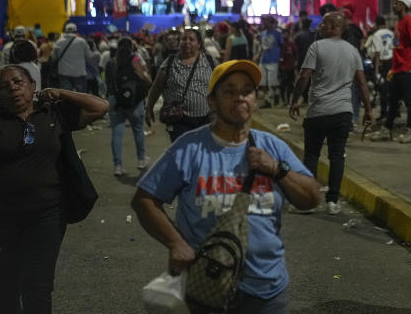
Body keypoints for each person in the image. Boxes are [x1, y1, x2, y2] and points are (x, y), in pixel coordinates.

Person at [132, 60, 320, 313]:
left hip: (266, 290)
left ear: (255, 99)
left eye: (246, 91)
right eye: (229, 92)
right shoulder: (190, 148)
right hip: (207, 284)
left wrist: (277, 168)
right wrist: (176, 243)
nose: (239, 98)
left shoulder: (273, 146)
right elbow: (144, 200)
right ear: (212, 102)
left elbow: (311, 198)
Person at [0, 66, 108, 313]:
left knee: (37, 286)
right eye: (4, 87)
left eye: (18, 82)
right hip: (1, 218)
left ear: (32, 86)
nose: (13, 89)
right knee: (1, 288)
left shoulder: (54, 115)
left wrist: (61, 92)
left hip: (47, 215)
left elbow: (100, 107)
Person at [289, 12, 372, 214]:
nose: (321, 28)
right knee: (337, 156)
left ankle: (309, 200)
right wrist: (368, 110)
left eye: (324, 24)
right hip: (343, 112)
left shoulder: (317, 47)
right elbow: (361, 83)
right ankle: (333, 201)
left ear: (333, 27)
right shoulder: (353, 51)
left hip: (318, 110)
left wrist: (294, 100)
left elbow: (304, 76)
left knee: (311, 155)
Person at [145, 28, 217, 143]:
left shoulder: (210, 62)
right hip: (178, 120)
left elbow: (220, 88)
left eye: (191, 39)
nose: (186, 42)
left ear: (199, 44)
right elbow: (157, 87)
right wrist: (149, 108)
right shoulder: (170, 62)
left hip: (205, 120)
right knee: (182, 153)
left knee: (201, 153)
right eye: (184, 39)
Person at [370, 0, 411, 143]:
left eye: (396, 3)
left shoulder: (408, 22)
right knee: (393, 101)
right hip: (398, 69)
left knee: (409, 102)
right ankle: (387, 130)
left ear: (404, 6)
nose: (393, 5)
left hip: (408, 70)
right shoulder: (400, 23)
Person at [106, 36, 152, 176]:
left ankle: (118, 166)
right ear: (131, 47)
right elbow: (144, 77)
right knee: (138, 130)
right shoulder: (135, 59)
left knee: (117, 132)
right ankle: (140, 159)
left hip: (115, 100)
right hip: (134, 101)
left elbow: (107, 83)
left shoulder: (111, 62)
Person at [365, 16, 394, 121]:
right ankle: (393, 112)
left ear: (376, 24)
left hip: (383, 65)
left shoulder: (376, 35)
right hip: (393, 64)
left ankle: (384, 113)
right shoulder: (392, 33)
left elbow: (377, 53)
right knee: (392, 89)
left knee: (383, 90)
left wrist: (376, 71)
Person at [50, 22, 94, 93]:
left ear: (65, 31)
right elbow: (89, 55)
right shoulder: (82, 42)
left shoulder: (59, 42)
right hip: (79, 73)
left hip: (64, 73)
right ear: (76, 31)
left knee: (66, 97)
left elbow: (54, 57)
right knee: (81, 97)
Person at [257, 16, 284, 108]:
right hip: (263, 60)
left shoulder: (277, 33)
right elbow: (261, 46)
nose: (264, 23)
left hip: (273, 60)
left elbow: (282, 46)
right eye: (264, 21)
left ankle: (276, 94)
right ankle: (267, 101)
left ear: (272, 22)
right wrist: (258, 56)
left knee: (272, 82)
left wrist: (281, 58)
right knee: (263, 82)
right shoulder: (262, 34)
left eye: (267, 21)